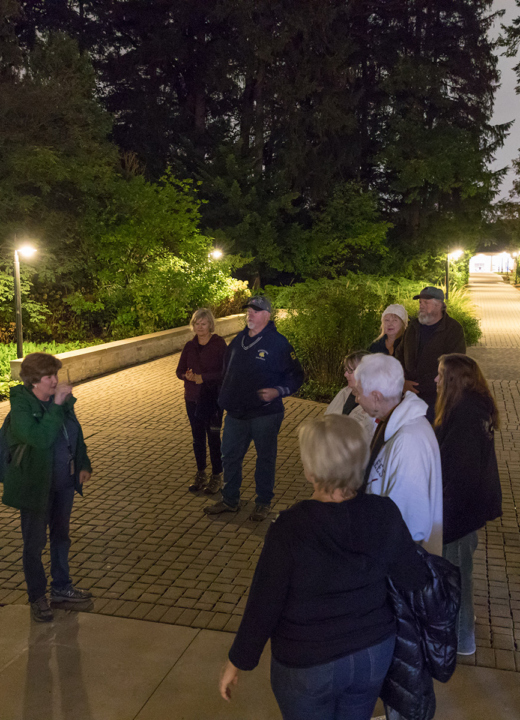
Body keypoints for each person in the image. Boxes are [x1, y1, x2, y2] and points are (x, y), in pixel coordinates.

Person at [219, 414, 430, 720]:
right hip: (372, 652)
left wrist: (237, 661)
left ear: (311, 468)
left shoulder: (290, 527)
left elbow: (264, 604)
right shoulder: (384, 512)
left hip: (307, 661)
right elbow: (413, 577)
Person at [1, 352, 92, 623]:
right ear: (33, 382)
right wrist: (57, 405)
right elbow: (40, 439)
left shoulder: (59, 402)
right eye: (49, 376)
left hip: (63, 482)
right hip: (35, 486)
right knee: (35, 543)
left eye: (55, 374)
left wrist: (83, 462)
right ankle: (37, 596)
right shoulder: (21, 408)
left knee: (61, 536)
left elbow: (75, 433)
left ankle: (62, 587)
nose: (55, 381)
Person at [204, 296, 303, 521]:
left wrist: (278, 391)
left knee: (265, 458)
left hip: (265, 414)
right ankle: (230, 499)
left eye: (255, 311)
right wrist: (223, 398)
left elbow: (297, 376)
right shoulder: (238, 340)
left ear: (266, 316)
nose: (250, 314)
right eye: (248, 310)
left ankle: (263, 502)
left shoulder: (279, 343)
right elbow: (225, 371)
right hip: (236, 413)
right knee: (229, 456)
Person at [434, 353, 502, 656]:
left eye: (439, 375)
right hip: (469, 509)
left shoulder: (463, 417)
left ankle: (463, 640)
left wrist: (444, 518)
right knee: (462, 570)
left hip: (459, 513)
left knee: (458, 577)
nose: (435, 380)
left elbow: (460, 476)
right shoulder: (473, 409)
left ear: (454, 380)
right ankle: (463, 628)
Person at [354, 353, 443, 555]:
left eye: (359, 393)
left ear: (376, 397)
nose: (357, 399)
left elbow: (408, 521)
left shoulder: (408, 441)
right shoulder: (395, 424)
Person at [394, 286, 465, 422]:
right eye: (420, 302)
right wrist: (402, 382)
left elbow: (455, 365)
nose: (421, 306)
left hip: (436, 398)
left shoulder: (453, 330)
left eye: (426, 303)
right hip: (408, 395)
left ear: (439, 305)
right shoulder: (413, 326)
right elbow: (400, 355)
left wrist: (420, 386)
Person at [176, 308, 227, 494]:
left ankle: (217, 476)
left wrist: (203, 377)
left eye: (203, 323)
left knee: (213, 437)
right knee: (197, 439)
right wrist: (186, 375)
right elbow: (178, 370)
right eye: (197, 323)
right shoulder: (190, 346)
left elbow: (225, 372)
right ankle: (200, 473)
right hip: (192, 398)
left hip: (212, 399)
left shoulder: (219, 344)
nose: (200, 327)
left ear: (210, 325)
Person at [324, 350, 376, 442]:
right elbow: (326, 418)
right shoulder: (344, 392)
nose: (345, 374)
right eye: (345, 370)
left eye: (350, 371)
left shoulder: (375, 405)